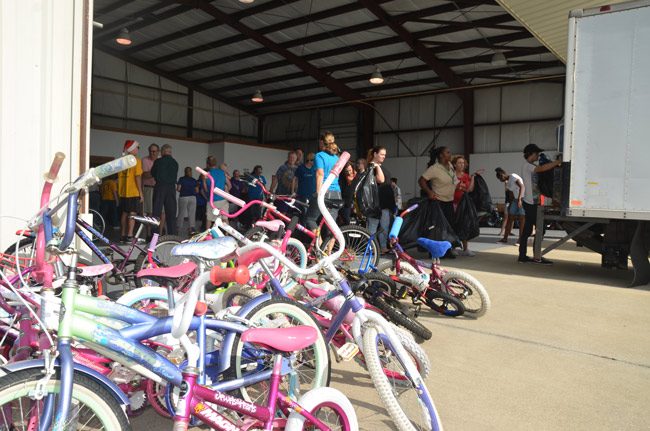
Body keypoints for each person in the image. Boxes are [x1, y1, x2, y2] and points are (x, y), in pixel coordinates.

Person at [518, 144, 562, 264]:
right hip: (531, 203)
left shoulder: (530, 166)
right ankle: (537, 257)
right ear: (532, 153)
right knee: (540, 229)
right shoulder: (527, 166)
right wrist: (558, 162)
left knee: (527, 230)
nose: (538, 155)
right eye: (537, 153)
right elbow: (541, 169)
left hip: (531, 202)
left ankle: (522, 256)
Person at [418, 146, 457, 258]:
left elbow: (453, 181)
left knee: (449, 227)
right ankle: (434, 252)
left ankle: (447, 250)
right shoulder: (434, 168)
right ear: (441, 155)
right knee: (438, 228)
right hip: (438, 201)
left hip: (449, 201)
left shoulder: (450, 166)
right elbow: (421, 180)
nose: (450, 154)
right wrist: (429, 192)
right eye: (448, 152)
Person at [306, 133, 342, 248]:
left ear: (322, 143)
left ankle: (319, 245)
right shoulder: (337, 158)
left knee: (310, 219)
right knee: (331, 225)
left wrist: (318, 192)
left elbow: (320, 174)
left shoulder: (319, 156)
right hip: (336, 193)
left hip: (324, 192)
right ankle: (329, 253)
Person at [452, 155, 483, 256]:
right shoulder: (451, 175)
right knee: (453, 225)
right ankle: (454, 247)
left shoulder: (466, 176)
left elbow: (470, 189)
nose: (462, 164)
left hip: (463, 205)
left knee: (464, 225)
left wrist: (473, 177)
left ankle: (466, 249)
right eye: (459, 163)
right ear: (454, 165)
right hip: (452, 203)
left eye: (463, 163)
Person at [366, 146, 393, 254]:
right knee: (373, 226)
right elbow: (380, 180)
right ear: (375, 154)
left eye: (385, 155)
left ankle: (382, 247)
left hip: (384, 203)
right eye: (381, 154)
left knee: (384, 227)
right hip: (376, 203)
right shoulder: (371, 167)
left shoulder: (377, 166)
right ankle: (370, 248)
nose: (384, 157)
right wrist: (376, 166)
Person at [117, 140, 144, 242]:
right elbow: (138, 177)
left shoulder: (121, 160)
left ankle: (122, 235)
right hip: (133, 191)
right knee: (132, 213)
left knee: (124, 213)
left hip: (123, 192)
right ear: (132, 149)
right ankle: (130, 235)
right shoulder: (136, 160)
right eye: (137, 147)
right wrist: (140, 192)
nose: (138, 149)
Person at [151, 144, 179, 235]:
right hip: (171, 188)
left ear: (162, 152)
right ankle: (172, 235)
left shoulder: (158, 161)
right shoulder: (175, 162)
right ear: (170, 152)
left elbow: (153, 173)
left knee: (156, 212)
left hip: (160, 187)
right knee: (171, 213)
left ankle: (154, 236)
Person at [495, 167, 525, 244]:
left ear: (503, 175)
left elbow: (522, 186)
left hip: (522, 199)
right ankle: (505, 238)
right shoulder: (508, 183)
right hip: (515, 200)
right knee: (510, 218)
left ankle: (521, 240)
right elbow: (511, 195)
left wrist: (519, 199)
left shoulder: (513, 176)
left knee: (522, 219)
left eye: (500, 178)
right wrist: (510, 206)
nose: (500, 181)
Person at [204, 156, 231, 227]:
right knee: (225, 219)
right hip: (223, 200)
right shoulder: (222, 172)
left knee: (209, 220)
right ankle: (227, 235)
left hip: (212, 200)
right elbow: (229, 185)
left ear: (207, 164)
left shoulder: (207, 174)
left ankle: (208, 236)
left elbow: (206, 189)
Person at [176, 167, 198, 236]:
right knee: (192, 213)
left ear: (185, 172)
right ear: (191, 172)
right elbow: (197, 190)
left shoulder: (181, 179)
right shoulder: (194, 180)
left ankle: (178, 229)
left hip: (183, 197)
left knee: (181, 213)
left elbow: (178, 189)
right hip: (192, 197)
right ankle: (191, 229)